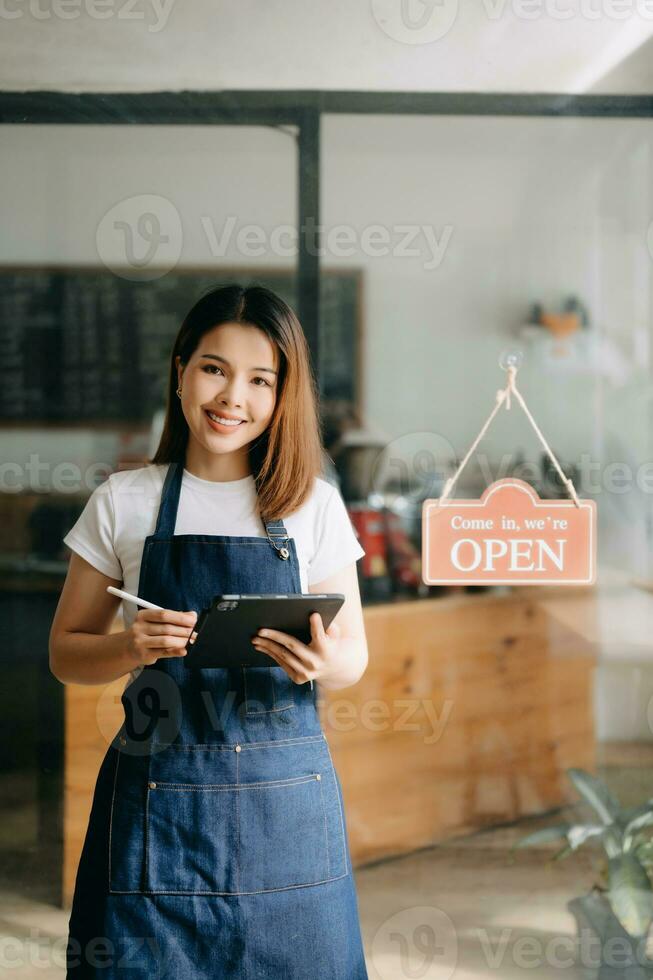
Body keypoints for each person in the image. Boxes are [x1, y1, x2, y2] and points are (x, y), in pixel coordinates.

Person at [49, 284, 370, 979]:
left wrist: (317, 661)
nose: (233, 397)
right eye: (214, 368)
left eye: (261, 379)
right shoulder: (124, 500)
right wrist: (130, 646)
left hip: (284, 806)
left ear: (284, 394)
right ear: (180, 370)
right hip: (155, 806)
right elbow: (66, 654)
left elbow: (354, 661)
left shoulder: (311, 503)